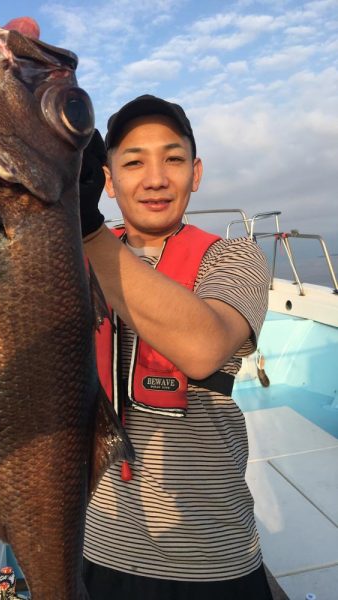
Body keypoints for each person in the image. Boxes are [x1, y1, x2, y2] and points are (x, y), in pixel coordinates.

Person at [79, 95, 273, 600]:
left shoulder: (235, 257)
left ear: (197, 171)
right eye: (134, 162)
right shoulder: (68, 262)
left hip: (211, 559)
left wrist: (88, 232)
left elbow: (204, 347)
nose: (156, 178)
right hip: (95, 545)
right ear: (107, 179)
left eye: (173, 158)